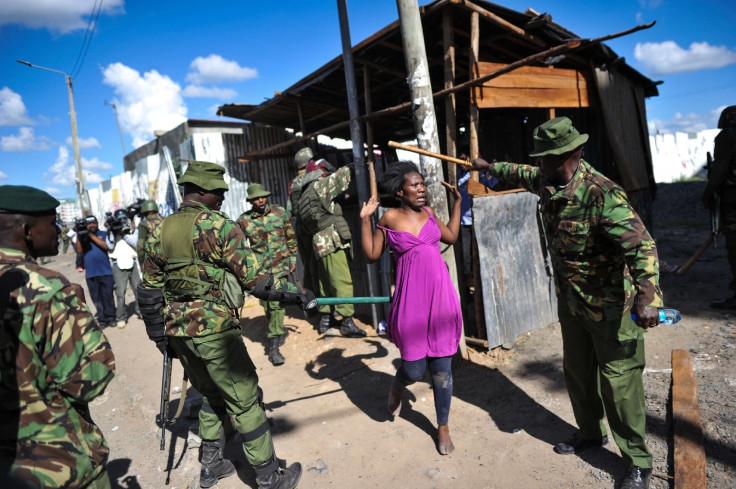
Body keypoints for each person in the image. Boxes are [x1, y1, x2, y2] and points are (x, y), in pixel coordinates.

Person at [472, 117, 663, 489]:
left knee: (619, 384)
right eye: (540, 158)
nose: (540, 164)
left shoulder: (602, 194)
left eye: (547, 158)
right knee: (577, 372)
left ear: (571, 154)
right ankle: (591, 433)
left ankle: (638, 462)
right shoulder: (548, 176)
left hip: (612, 306)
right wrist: (489, 167)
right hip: (573, 302)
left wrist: (648, 297)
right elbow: (521, 172)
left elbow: (642, 246)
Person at [138, 161, 316, 489]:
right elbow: (257, 281)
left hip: (178, 333)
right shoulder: (220, 227)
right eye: (219, 192)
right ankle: (267, 476)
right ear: (203, 191)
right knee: (246, 401)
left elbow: (148, 290)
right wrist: (299, 293)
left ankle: (212, 466)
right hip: (215, 332)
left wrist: (158, 336)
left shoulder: (159, 230)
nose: (221, 198)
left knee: (211, 395)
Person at [0, 185, 116, 489]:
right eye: (52, 223)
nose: (57, 231)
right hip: (59, 466)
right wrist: (81, 318)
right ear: (27, 230)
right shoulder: (46, 288)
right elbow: (90, 380)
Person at [360, 161, 463, 455]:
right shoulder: (389, 218)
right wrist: (365, 219)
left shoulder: (429, 214)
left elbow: (452, 237)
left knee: (443, 371)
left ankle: (442, 427)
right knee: (414, 370)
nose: (421, 189)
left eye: (422, 184)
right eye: (415, 185)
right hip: (410, 305)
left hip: (441, 301)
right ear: (401, 191)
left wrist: (457, 203)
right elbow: (371, 255)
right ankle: (397, 387)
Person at [297, 158, 366, 337]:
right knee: (341, 281)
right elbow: (343, 176)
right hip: (331, 240)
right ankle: (347, 322)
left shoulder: (303, 195)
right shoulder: (320, 185)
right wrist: (356, 163)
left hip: (318, 243)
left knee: (325, 283)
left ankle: (325, 321)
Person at [237, 183, 298, 366]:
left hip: (280, 267)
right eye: (256, 198)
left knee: (275, 303)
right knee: (267, 304)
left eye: (263, 196)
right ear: (251, 201)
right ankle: (277, 330)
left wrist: (293, 258)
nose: (261, 200)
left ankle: (274, 343)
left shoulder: (279, 212)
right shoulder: (244, 220)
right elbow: (241, 247)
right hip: (260, 271)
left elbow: (290, 237)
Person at [702, 105, 736, 309]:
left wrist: (707, 193)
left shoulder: (726, 137)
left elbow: (721, 168)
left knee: (734, 243)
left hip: (733, 197)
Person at [75, 215, 117, 328]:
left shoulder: (103, 234)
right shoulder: (82, 237)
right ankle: (102, 320)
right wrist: (80, 235)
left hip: (105, 272)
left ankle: (111, 318)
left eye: (94, 223)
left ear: (97, 223)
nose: (92, 225)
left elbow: (106, 246)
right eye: (89, 224)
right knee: (96, 299)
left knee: (108, 297)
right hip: (91, 273)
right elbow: (79, 251)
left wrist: (90, 235)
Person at [288, 147, 319, 296]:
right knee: (318, 266)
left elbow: (290, 210)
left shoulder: (293, 183)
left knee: (307, 265)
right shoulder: (313, 177)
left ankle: (310, 301)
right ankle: (323, 304)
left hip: (300, 226)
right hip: (312, 226)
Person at [107, 210, 141, 328]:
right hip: (118, 264)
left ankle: (140, 311)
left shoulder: (132, 230)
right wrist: (112, 231)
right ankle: (121, 317)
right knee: (120, 293)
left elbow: (136, 244)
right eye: (120, 219)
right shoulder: (111, 232)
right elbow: (110, 246)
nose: (122, 222)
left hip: (132, 262)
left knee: (138, 289)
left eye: (124, 219)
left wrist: (125, 233)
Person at [136, 200, 162, 264]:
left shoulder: (144, 224)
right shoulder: (166, 220)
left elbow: (140, 245)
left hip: (153, 261)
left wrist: (142, 263)